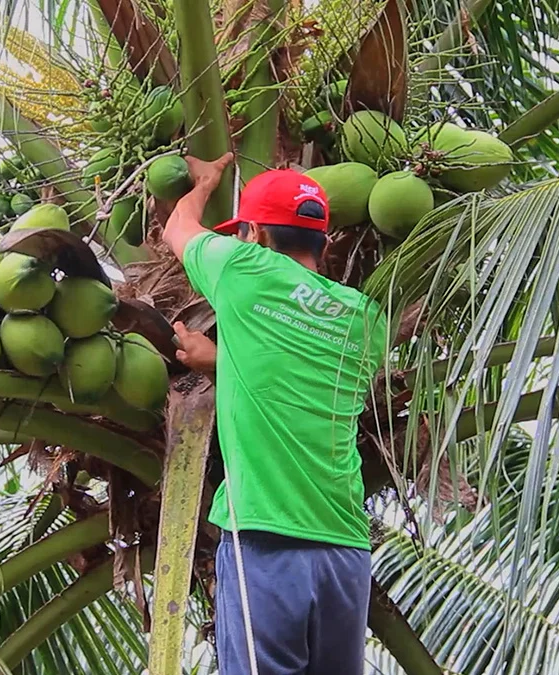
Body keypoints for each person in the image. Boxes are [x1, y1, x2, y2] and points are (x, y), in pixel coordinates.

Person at [161, 152, 394, 674]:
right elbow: (304, 380)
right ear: (324, 244)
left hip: (266, 539)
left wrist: (205, 182)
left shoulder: (243, 269)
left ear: (256, 234)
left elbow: (178, 227)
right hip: (345, 550)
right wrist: (223, 361)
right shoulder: (368, 320)